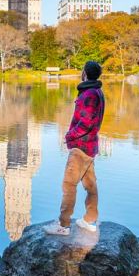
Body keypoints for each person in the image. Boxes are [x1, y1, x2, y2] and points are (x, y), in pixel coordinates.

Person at [44, 60, 105, 235]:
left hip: (81, 147)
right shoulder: (97, 91)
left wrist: (69, 136)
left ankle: (63, 225)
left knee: (69, 185)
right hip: (90, 146)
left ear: (85, 73)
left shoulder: (89, 94)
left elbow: (85, 123)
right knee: (90, 185)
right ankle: (89, 220)